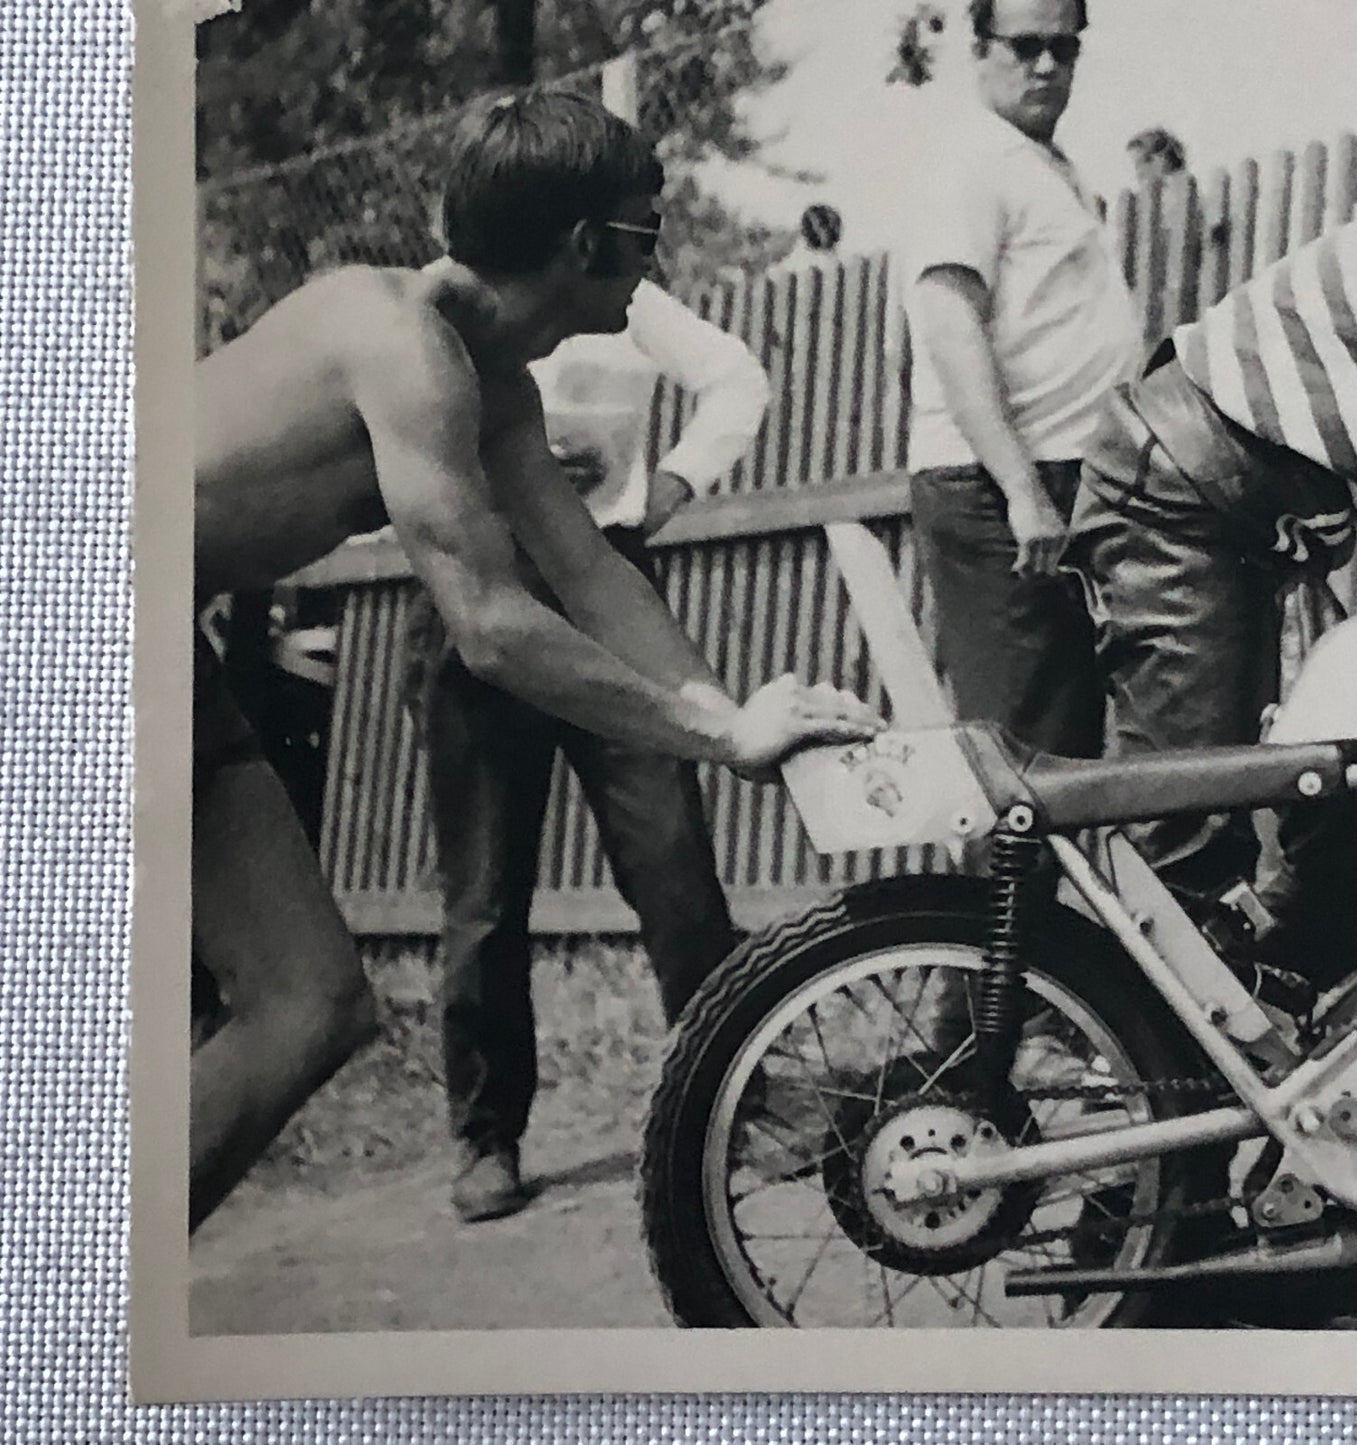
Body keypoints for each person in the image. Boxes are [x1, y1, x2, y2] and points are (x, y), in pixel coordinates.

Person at [189, 90, 883, 1233]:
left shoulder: (488, 377)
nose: (654, 259)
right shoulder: (405, 351)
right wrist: (712, 733)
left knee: (309, 1005)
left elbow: (594, 575)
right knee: (276, 1000)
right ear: (583, 245)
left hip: (150, 622)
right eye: (646, 232)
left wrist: (731, 716)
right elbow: (492, 625)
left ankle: (73, 1290)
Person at [406, 276, 771, 1222]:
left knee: (673, 857)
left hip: (604, 584)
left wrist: (669, 484)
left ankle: (729, 1099)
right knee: (485, 893)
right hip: (479, 592)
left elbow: (737, 379)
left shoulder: (617, 295)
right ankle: (486, 1138)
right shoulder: (443, 302)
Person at [1068, 179, 1357, 989]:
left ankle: (1274, 1074)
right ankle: (1162, 1072)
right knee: (1187, 858)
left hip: (1283, 521)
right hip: (1184, 496)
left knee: (1356, 865)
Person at [900, 0, 1138, 760]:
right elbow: (947, 329)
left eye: (1063, 50)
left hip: (1064, 474)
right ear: (979, 49)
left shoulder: (1041, 162)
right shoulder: (971, 159)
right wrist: (1022, 491)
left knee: (1068, 749)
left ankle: (1038, 887)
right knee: (1022, 756)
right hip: (999, 486)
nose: (1046, 67)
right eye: (1025, 46)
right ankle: (992, 890)